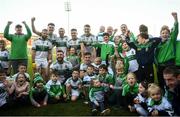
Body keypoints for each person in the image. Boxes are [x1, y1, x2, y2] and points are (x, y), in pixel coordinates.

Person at [155, 12, 178, 89]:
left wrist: (175, 19)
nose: (164, 34)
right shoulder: (157, 44)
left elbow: (175, 31)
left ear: (169, 34)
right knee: (161, 83)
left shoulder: (171, 41)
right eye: (163, 33)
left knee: (171, 83)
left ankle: (173, 97)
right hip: (160, 66)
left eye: (166, 33)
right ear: (160, 34)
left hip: (169, 65)